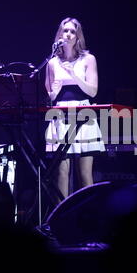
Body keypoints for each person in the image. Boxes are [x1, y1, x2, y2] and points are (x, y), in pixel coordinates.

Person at [45, 17, 105, 200]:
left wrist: (73, 75)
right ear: (60, 34)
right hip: (61, 113)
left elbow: (93, 91)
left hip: (82, 112)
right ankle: (62, 216)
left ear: (78, 36)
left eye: (72, 31)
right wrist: (53, 93)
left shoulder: (88, 59)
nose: (68, 34)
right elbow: (50, 96)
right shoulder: (52, 62)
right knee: (61, 172)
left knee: (85, 173)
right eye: (65, 31)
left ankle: (91, 212)